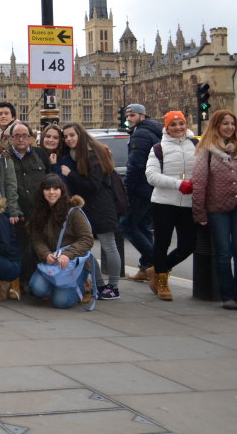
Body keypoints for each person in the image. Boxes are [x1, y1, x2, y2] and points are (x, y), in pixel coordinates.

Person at [193, 110, 237, 311]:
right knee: (223, 253)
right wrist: (199, 212)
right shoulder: (206, 149)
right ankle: (227, 295)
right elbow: (200, 181)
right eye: (225, 124)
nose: (229, 127)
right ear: (216, 126)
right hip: (217, 208)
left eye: (232, 123)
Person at [58, 122, 121, 300]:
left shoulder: (93, 153)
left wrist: (70, 174)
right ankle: (100, 284)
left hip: (102, 206)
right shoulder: (76, 154)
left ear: (80, 134)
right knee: (85, 247)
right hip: (88, 207)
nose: (68, 139)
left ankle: (114, 287)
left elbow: (93, 185)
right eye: (66, 136)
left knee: (109, 246)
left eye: (72, 135)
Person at [145, 111, 197, 300]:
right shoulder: (158, 148)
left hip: (189, 203)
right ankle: (162, 281)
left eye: (181, 123)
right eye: (173, 124)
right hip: (164, 202)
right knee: (162, 243)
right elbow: (151, 176)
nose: (178, 128)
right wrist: (179, 184)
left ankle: (158, 269)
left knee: (189, 245)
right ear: (166, 128)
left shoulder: (196, 145)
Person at [27, 175, 96, 308]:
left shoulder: (74, 212)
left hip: (75, 263)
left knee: (60, 302)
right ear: (42, 191)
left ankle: (84, 287)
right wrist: (46, 254)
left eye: (55, 188)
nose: (51, 192)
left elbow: (87, 239)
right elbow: (37, 239)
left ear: (62, 190)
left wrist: (68, 254)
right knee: (37, 289)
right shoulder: (40, 213)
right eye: (47, 188)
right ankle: (55, 286)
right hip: (53, 263)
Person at [122, 103, 162, 281]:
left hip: (140, 189)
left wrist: (126, 190)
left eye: (132, 116)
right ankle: (146, 269)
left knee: (127, 225)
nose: (129, 119)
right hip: (152, 189)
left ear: (142, 116)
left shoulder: (140, 134)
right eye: (127, 116)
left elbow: (135, 166)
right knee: (143, 227)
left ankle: (159, 263)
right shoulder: (153, 131)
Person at [8, 120, 51, 288]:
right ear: (11, 139)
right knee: (21, 250)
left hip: (38, 212)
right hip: (17, 213)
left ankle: (36, 282)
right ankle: (22, 283)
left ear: (30, 138)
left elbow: (49, 181)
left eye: (24, 136)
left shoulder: (40, 155)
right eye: (16, 136)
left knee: (38, 249)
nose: (21, 139)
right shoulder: (5, 157)